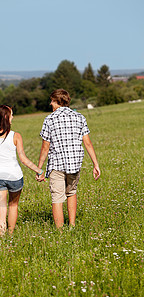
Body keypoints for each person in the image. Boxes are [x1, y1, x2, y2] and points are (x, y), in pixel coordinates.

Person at [36, 89, 100, 228]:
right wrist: (96, 164)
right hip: (74, 164)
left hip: (56, 164)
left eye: (52, 101)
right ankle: (72, 225)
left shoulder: (49, 119)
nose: (50, 104)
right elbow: (87, 143)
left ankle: (59, 232)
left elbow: (45, 147)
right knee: (71, 192)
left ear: (57, 101)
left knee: (57, 198)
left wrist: (39, 168)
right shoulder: (80, 117)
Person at [0, 105, 43, 235]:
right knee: (13, 205)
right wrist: (39, 170)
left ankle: (1, 237)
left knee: (1, 209)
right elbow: (23, 159)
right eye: (11, 115)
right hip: (14, 176)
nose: (13, 117)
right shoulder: (16, 136)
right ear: (6, 117)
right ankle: (10, 234)